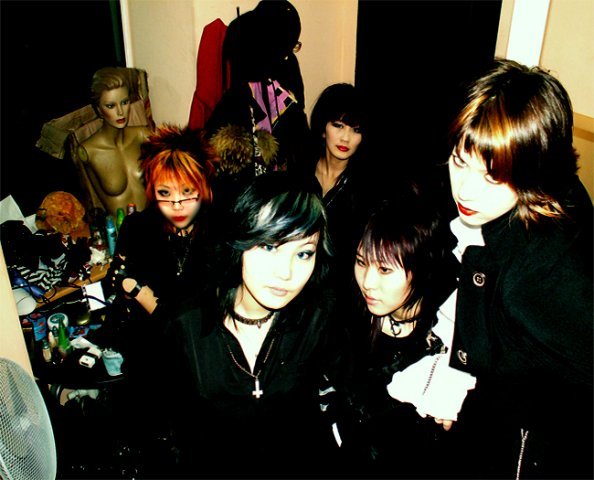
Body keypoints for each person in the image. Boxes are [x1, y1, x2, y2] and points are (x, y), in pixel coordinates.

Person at [441, 58, 593, 479]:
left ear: (534, 169)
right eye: (459, 161)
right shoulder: (549, 193)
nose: (465, 189)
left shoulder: (539, 276)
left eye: (492, 176)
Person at [162, 171, 350, 477]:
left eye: (303, 253)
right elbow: (169, 429)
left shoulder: (318, 316)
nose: (286, 273)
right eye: (269, 247)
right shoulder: (186, 326)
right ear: (239, 242)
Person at [103, 124, 216, 473]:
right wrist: (137, 293)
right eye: (165, 193)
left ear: (203, 186)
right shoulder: (138, 228)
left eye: (187, 192)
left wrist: (145, 296)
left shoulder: (221, 231)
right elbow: (116, 283)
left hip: (203, 361)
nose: (177, 205)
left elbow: (209, 310)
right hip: (152, 359)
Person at [335, 188, 459, 477]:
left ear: (422, 267)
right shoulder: (347, 312)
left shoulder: (448, 337)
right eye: (361, 262)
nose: (367, 282)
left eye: (385, 270)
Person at [296, 83, 371, 296]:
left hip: (339, 295)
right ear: (323, 128)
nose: (346, 138)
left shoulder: (366, 190)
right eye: (338, 125)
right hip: (294, 284)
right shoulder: (298, 173)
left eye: (356, 130)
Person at [77, 67, 153, 218]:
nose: (120, 112)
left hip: (152, 222)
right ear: (98, 109)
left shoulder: (143, 135)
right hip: (119, 229)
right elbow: (92, 202)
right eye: (111, 106)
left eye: (124, 102)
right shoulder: (88, 151)